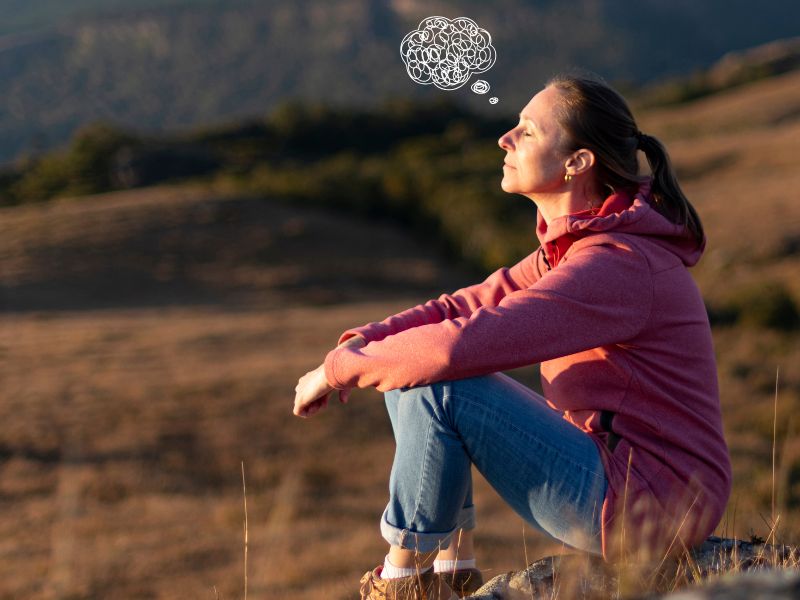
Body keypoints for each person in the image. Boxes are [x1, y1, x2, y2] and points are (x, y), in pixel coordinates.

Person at [293, 73, 732, 600]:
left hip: (647, 507)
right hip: (623, 483)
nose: (505, 139)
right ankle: (452, 566)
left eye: (527, 131)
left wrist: (337, 372)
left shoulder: (618, 265)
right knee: (408, 365)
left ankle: (402, 580)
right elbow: (458, 308)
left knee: (439, 380)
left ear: (577, 162)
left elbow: (455, 348)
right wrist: (359, 344)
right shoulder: (576, 249)